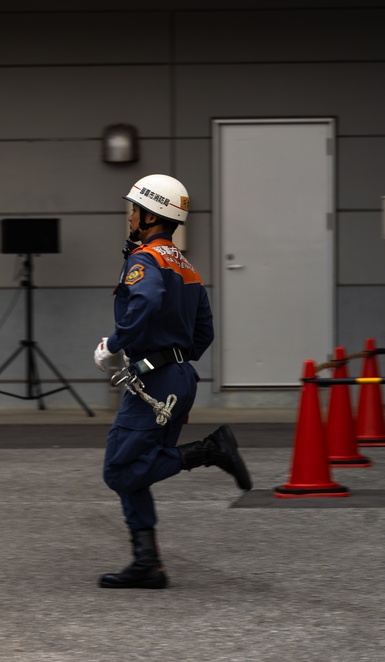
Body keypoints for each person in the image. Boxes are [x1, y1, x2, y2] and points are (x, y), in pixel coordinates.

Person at [93, 174, 253, 589]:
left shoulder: (144, 259)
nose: (129, 216)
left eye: (134, 209)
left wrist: (115, 342)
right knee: (135, 466)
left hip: (155, 381)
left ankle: (209, 450)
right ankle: (148, 563)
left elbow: (144, 301)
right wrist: (176, 359)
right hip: (179, 377)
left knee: (118, 469)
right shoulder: (185, 265)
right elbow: (205, 333)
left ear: (150, 214)